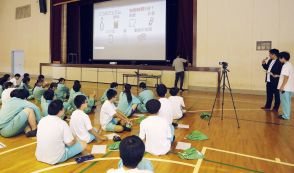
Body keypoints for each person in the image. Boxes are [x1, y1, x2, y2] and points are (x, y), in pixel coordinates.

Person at [36, 100, 87, 165]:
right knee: (83, 144)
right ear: (60, 111)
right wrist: (76, 139)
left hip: (39, 156)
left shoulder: (42, 120)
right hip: (56, 158)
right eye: (63, 108)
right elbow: (70, 143)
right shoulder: (62, 123)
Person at [277, 52, 294, 120]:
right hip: (288, 87)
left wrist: (282, 86)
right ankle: (286, 114)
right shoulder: (289, 65)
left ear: (283, 58)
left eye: (279, 58)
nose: (279, 59)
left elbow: (286, 77)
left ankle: (286, 116)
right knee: (287, 102)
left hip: (285, 88)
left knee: (285, 102)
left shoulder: (286, 66)